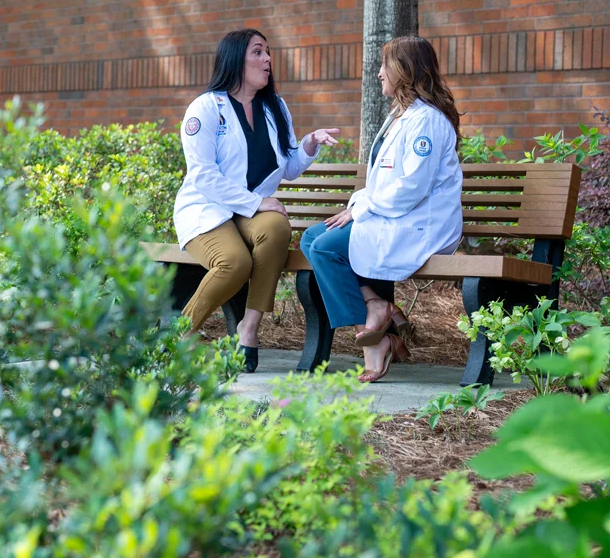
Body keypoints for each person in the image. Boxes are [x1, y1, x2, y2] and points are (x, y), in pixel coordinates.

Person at [174, 29, 341, 372]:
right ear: (236, 59)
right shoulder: (205, 109)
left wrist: (310, 143)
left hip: (248, 212)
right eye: (258, 52)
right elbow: (203, 175)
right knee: (235, 263)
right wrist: (255, 203)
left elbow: (290, 165)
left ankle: (247, 330)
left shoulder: (274, 107)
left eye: (268, 52)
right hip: (208, 209)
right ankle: (181, 334)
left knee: (277, 228)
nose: (267, 60)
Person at [299, 36, 463, 383]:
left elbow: (412, 187)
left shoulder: (427, 122)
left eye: (384, 65)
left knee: (326, 248)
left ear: (404, 70)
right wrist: (361, 205)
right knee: (312, 237)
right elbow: (386, 183)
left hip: (421, 224)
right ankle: (375, 305)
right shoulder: (402, 116)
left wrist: (361, 209)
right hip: (397, 216)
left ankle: (373, 344)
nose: (378, 74)